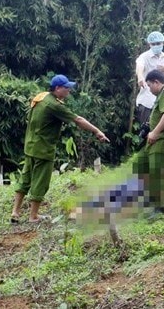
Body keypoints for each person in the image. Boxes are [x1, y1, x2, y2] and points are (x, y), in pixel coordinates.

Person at [11, 75, 110, 223]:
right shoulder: (55, 105)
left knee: (26, 178)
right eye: (66, 88)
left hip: (31, 145)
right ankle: (33, 216)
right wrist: (97, 131)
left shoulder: (41, 97)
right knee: (40, 181)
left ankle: (15, 212)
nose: (69, 91)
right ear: (57, 88)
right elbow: (78, 120)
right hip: (44, 149)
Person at [135, 69, 164, 214]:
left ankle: (160, 207)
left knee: (157, 172)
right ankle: (149, 198)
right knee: (140, 163)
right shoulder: (160, 95)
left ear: (156, 82)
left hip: (163, 139)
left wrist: (154, 132)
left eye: (149, 85)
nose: (149, 89)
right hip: (154, 140)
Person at [135, 31, 164, 127]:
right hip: (147, 101)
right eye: (153, 44)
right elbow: (139, 67)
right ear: (149, 44)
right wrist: (140, 77)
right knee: (146, 130)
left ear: (163, 43)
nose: (156, 45)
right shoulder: (144, 57)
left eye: (158, 43)